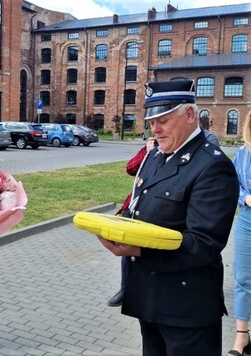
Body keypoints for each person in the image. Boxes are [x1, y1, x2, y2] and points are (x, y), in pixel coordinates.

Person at [96, 80, 239, 355]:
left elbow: (204, 244)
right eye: (151, 121)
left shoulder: (212, 165)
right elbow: (140, 208)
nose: (155, 129)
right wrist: (118, 225)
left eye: (163, 119)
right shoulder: (157, 156)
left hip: (186, 306)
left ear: (188, 115)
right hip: (150, 298)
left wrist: (138, 249)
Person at [107, 137, 157, 307]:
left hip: (158, 208)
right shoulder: (152, 147)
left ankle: (148, 292)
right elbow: (130, 168)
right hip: (137, 205)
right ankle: (125, 289)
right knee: (127, 248)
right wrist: (148, 152)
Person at [228, 111, 251, 356]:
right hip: (247, 220)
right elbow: (232, 187)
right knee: (244, 278)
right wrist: (245, 197)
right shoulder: (241, 155)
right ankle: (241, 337)